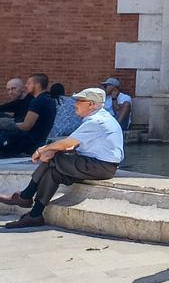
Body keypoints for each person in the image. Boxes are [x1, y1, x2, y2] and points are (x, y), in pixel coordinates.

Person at [1, 88, 124, 229]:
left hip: (100, 166)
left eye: (79, 101)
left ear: (91, 104)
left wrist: (44, 150)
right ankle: (35, 215)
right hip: (97, 165)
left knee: (53, 157)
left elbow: (67, 142)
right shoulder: (99, 118)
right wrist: (53, 150)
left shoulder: (97, 121)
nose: (75, 104)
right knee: (54, 173)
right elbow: (75, 144)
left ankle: (25, 196)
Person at [0, 74, 56, 155]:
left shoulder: (37, 101)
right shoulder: (49, 100)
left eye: (29, 83)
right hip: (38, 141)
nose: (26, 86)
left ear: (37, 85)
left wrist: (6, 124)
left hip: (27, 143)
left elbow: (26, 126)